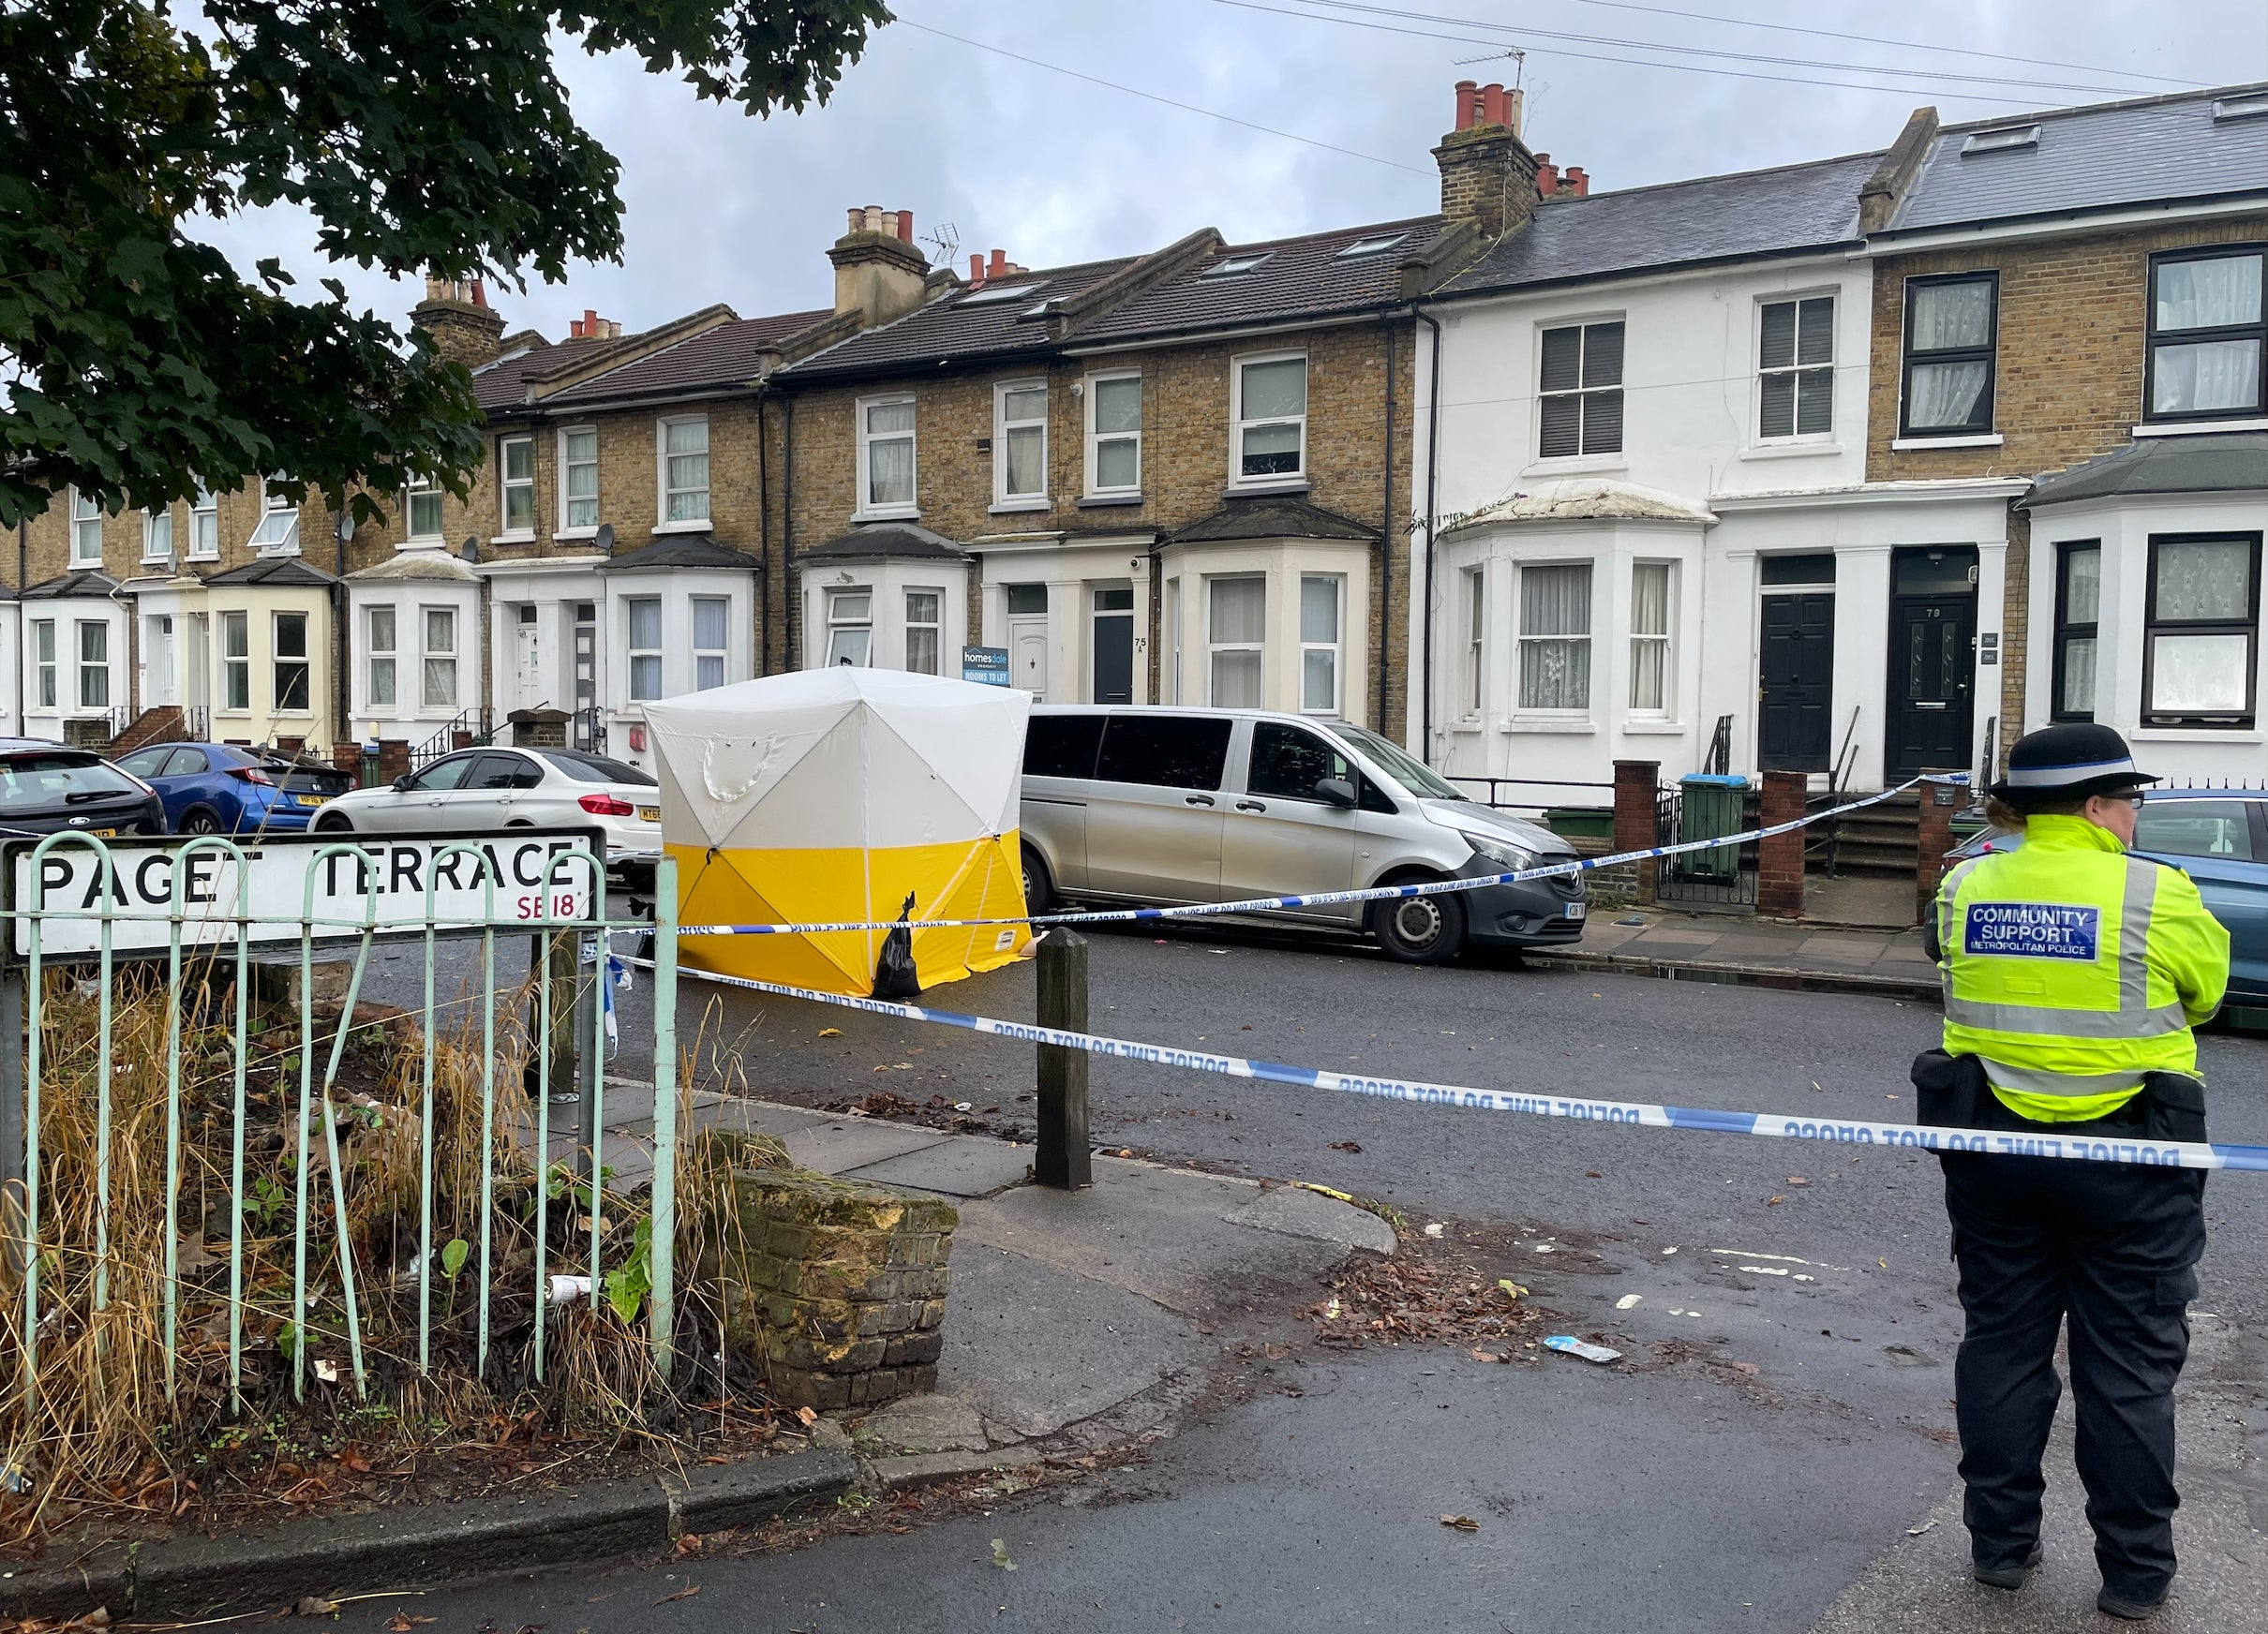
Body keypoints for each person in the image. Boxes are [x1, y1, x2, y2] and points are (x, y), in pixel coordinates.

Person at [1916, 721, 2229, 1621]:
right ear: (2096, 804)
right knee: (2127, 1366)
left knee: (2004, 1345)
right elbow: (2205, 994)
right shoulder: (2155, 895)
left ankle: (2000, 1552)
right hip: (2131, 1159)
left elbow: (1951, 970)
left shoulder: (1965, 882)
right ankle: (2134, 1575)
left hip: (1994, 1151)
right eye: (2130, 800)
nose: (2134, 816)